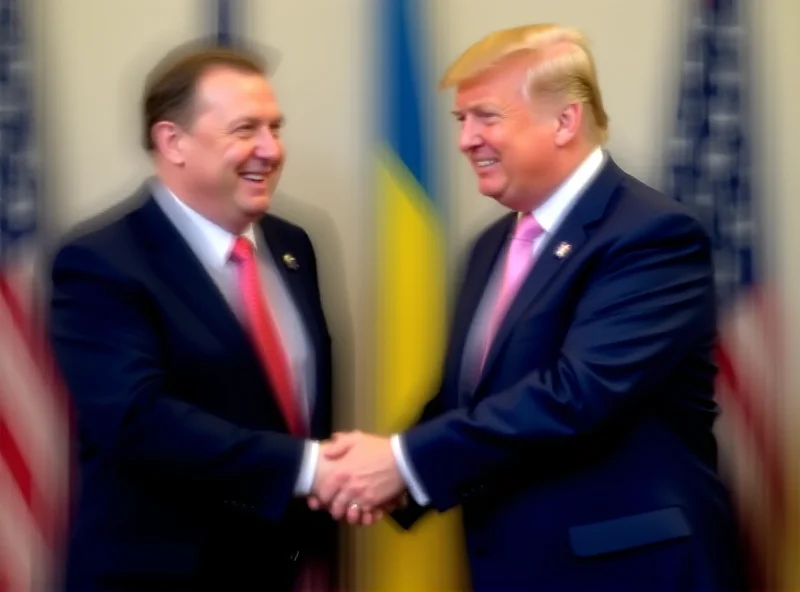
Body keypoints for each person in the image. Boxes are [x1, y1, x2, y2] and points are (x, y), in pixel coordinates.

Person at [313, 24, 746, 591]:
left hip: (627, 570)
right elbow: (463, 396)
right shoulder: (490, 247)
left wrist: (402, 462)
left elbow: (575, 395)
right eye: (460, 120)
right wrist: (370, 473)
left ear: (564, 120)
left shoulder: (653, 235)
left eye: (486, 116)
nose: (467, 139)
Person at [49, 42, 344, 591]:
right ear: (173, 142)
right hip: (160, 574)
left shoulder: (294, 245)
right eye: (245, 129)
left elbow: (302, 405)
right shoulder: (100, 262)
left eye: (275, 128)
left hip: (281, 569)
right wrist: (308, 468)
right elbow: (138, 420)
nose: (270, 149)